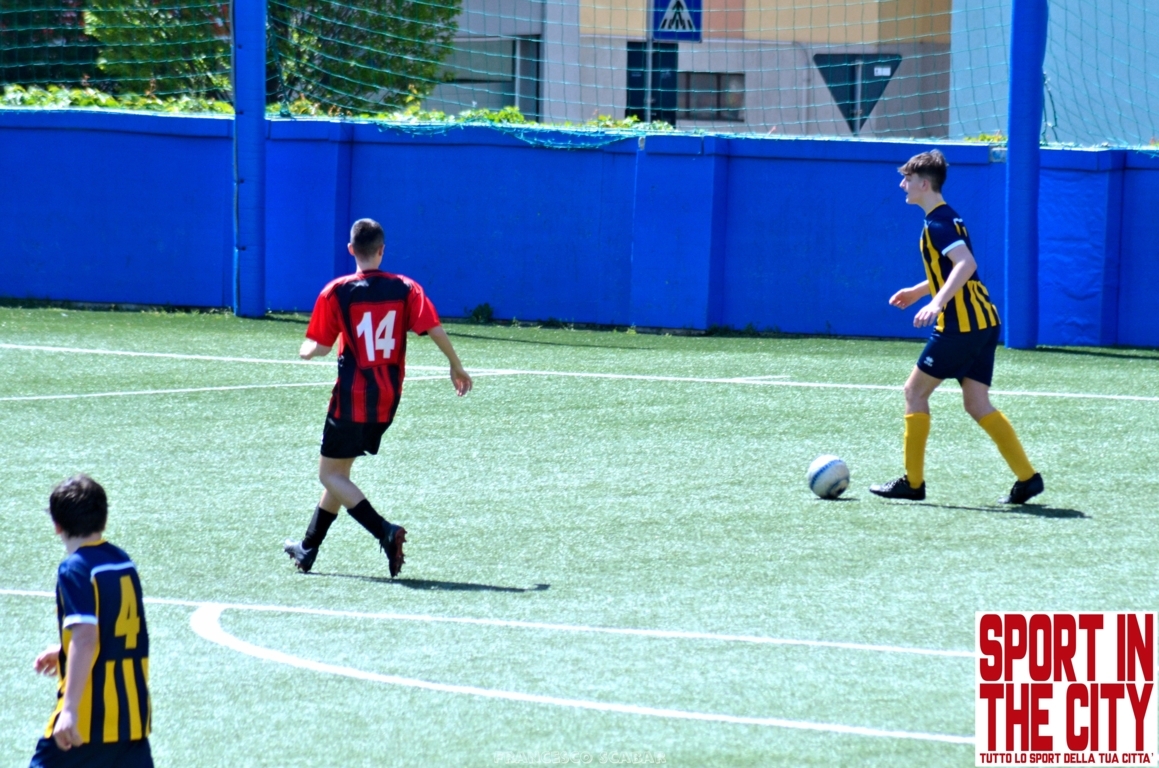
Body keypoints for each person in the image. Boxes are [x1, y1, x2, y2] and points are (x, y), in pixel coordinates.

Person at [284, 218, 472, 577]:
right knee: (341, 472)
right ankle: (308, 547)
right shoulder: (405, 287)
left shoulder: (336, 291)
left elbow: (321, 347)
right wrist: (456, 366)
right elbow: (433, 326)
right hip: (387, 399)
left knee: (329, 474)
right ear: (382, 250)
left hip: (352, 398)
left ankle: (385, 532)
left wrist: (306, 349)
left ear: (351, 249)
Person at [869, 150, 1044, 504]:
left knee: (914, 393)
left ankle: (913, 484)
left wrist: (936, 303)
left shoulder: (938, 223)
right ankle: (1028, 478)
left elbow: (965, 264)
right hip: (984, 322)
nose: (902, 185)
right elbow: (951, 271)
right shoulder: (947, 218)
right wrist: (920, 291)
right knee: (977, 403)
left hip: (961, 327)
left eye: (906, 180)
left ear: (923, 184)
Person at [30, 475, 153, 768]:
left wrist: (69, 710)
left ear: (57, 525)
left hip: (86, 722)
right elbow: (113, 629)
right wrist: (63, 651)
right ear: (104, 520)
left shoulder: (75, 568)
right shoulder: (123, 561)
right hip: (131, 720)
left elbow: (86, 637)